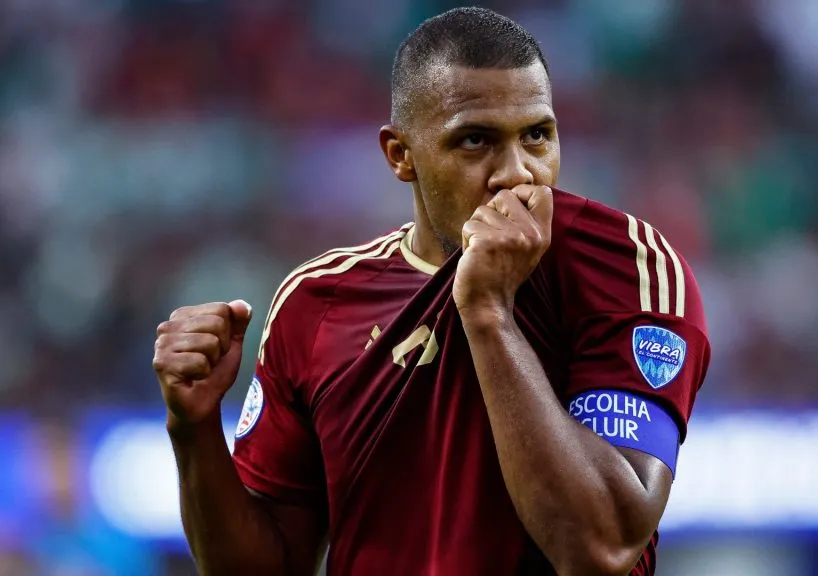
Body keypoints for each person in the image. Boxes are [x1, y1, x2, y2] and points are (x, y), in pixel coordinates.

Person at [151, 7, 710, 575]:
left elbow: (601, 548)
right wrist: (193, 429)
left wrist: (488, 313)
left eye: (537, 135)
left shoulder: (627, 270)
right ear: (400, 155)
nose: (517, 173)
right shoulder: (316, 303)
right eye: (475, 141)